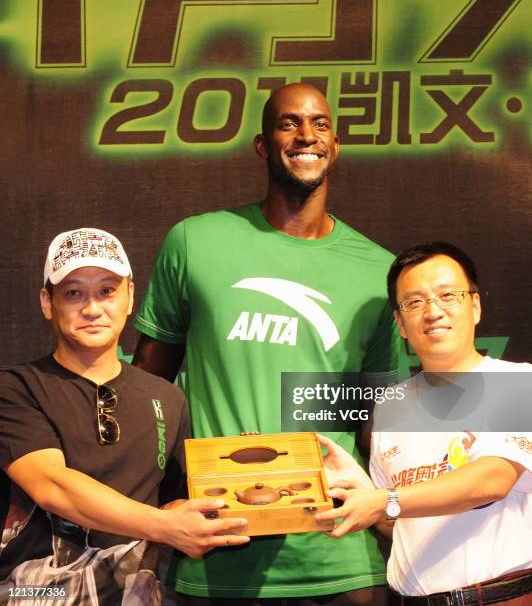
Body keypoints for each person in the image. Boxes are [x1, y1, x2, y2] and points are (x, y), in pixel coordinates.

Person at [133, 83, 400, 605]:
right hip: (216, 545)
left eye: (320, 124)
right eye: (289, 123)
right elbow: (148, 386)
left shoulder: (377, 270)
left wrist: (390, 503)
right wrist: (161, 503)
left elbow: (375, 417)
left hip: (337, 555)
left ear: (336, 144)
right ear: (262, 144)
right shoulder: (195, 241)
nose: (306, 135)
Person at [0, 228, 249, 605]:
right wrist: (167, 526)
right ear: (47, 302)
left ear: (130, 296)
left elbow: (170, 503)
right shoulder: (15, 387)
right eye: (73, 293)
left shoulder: (166, 396)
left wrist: (241, 482)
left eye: (106, 291)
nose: (92, 308)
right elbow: (51, 485)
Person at [316, 241, 532, 605]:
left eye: (448, 295)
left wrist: (383, 501)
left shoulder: (518, 382)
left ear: (475, 306)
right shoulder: (391, 407)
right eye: (414, 302)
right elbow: (397, 521)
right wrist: (361, 490)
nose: (433, 311)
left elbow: (492, 480)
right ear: (400, 323)